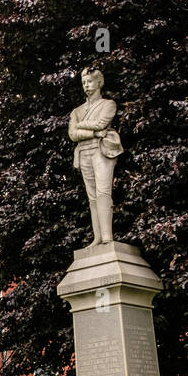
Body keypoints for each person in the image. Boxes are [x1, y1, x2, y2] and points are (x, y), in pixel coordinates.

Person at [68, 68, 123, 245]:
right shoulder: (77, 110)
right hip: (84, 151)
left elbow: (102, 124)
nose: (86, 85)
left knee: (103, 192)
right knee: (92, 197)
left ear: (99, 82)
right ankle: (97, 237)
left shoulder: (108, 104)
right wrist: (93, 132)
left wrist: (82, 126)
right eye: (84, 83)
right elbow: (73, 135)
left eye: (90, 81)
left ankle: (107, 236)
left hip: (101, 151)